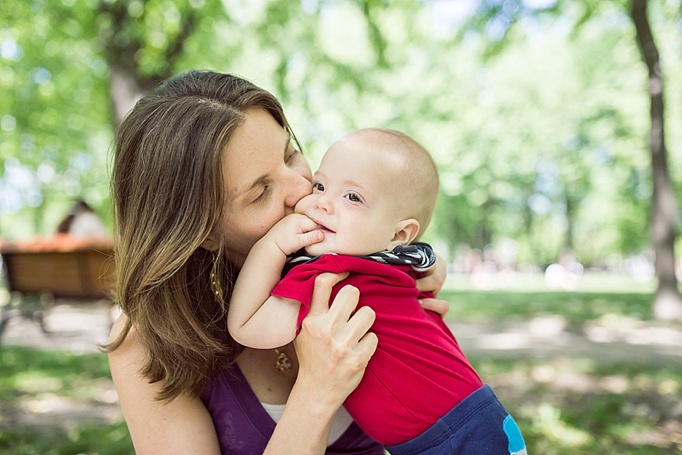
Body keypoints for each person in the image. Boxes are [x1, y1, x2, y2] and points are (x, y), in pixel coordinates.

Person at [105, 70, 450, 455]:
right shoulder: (147, 345)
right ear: (203, 233)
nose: (304, 189)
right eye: (260, 192)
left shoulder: (344, 272)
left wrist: (418, 276)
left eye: (290, 155)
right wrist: (317, 392)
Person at [228, 128, 527, 454]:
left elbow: (247, 326)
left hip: (452, 439)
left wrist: (273, 245)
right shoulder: (396, 263)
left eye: (353, 197)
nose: (323, 203)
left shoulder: (328, 275)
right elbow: (424, 256)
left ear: (400, 233)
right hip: (479, 421)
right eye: (321, 186)